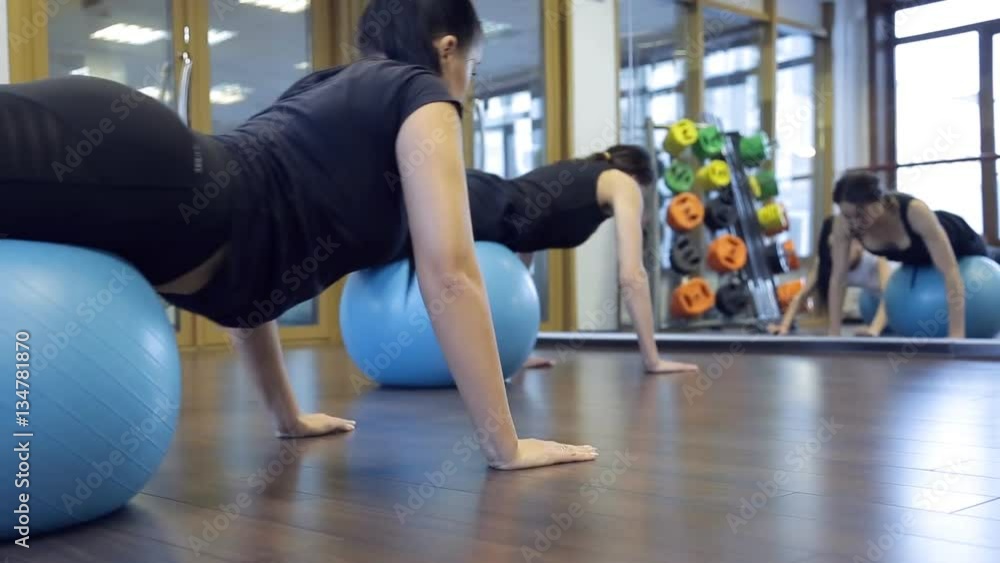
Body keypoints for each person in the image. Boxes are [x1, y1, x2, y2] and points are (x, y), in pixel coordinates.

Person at [0, 0, 596, 471]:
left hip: (144, 171)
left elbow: (257, 255)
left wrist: (287, 415)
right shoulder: (424, 94)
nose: (469, 81)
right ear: (448, 49)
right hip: (140, 173)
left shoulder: (323, 89)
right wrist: (506, 446)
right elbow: (452, 271)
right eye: (474, 65)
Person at [464, 146, 699, 374]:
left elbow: (528, 241)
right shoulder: (624, 184)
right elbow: (632, 275)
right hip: (479, 206)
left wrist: (517, 354)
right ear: (638, 178)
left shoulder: (578, 171)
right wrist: (653, 360)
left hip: (478, 195)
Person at [827, 172, 989, 338]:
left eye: (860, 214)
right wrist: (834, 335)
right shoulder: (844, 225)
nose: (855, 222)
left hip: (962, 242)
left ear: (878, 201)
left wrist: (956, 335)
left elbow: (950, 271)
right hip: (918, 260)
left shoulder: (914, 211)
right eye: (848, 215)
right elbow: (838, 278)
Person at [768, 216, 894, 337]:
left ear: (858, 244)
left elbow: (889, 295)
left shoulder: (877, 257)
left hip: (900, 295)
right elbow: (801, 296)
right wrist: (784, 327)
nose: (838, 254)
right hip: (873, 300)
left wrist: (874, 329)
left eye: (844, 247)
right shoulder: (827, 262)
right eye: (833, 248)